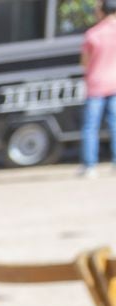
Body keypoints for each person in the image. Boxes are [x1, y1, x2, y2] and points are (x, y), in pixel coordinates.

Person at [81, 0, 116, 176]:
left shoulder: (93, 34)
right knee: (115, 125)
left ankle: (90, 166)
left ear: (102, 11)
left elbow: (84, 62)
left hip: (95, 85)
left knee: (90, 127)